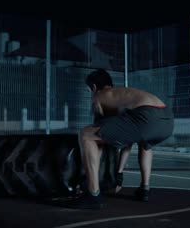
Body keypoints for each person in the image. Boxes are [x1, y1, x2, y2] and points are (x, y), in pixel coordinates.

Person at [68, 69, 174, 209]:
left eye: (89, 91)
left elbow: (96, 141)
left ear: (93, 87)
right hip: (167, 119)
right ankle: (144, 189)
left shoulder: (99, 97)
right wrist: (119, 174)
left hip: (147, 117)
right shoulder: (122, 95)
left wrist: (87, 177)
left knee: (86, 135)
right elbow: (127, 139)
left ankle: (93, 194)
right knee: (145, 142)